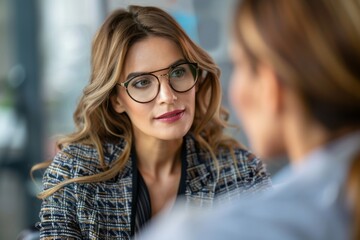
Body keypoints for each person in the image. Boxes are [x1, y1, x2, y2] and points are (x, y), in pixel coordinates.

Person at [32, 5, 271, 239]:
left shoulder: (241, 172)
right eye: (142, 83)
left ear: (196, 78)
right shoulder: (74, 175)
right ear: (117, 100)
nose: (168, 97)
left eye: (178, 72)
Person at [138, 0, 360, 239]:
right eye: (142, 82)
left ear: (269, 84)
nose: (167, 97)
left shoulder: (201, 231)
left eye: (240, 66)